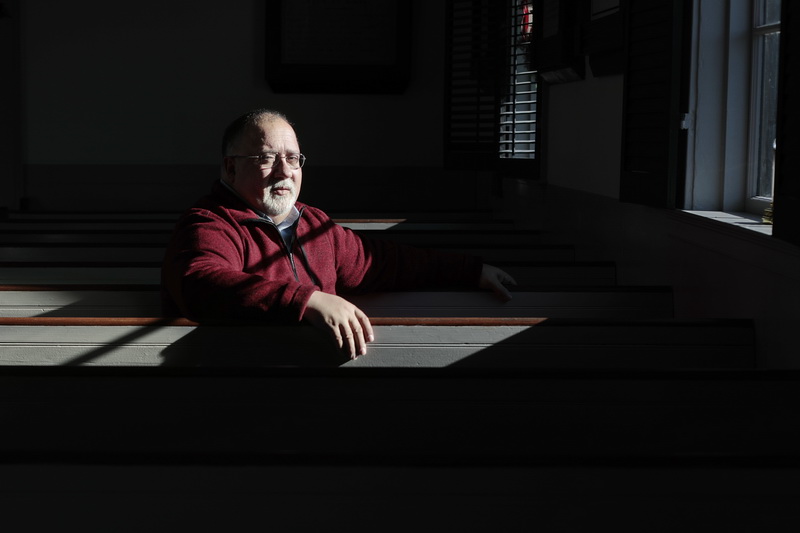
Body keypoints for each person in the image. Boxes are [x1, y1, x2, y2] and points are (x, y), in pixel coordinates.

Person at [161, 109, 516, 359]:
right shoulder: (210, 222)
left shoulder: (315, 225)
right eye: (266, 158)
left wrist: (472, 271)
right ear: (231, 167)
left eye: (294, 158)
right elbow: (200, 282)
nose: (285, 171)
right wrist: (309, 300)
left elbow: (386, 262)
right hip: (246, 385)